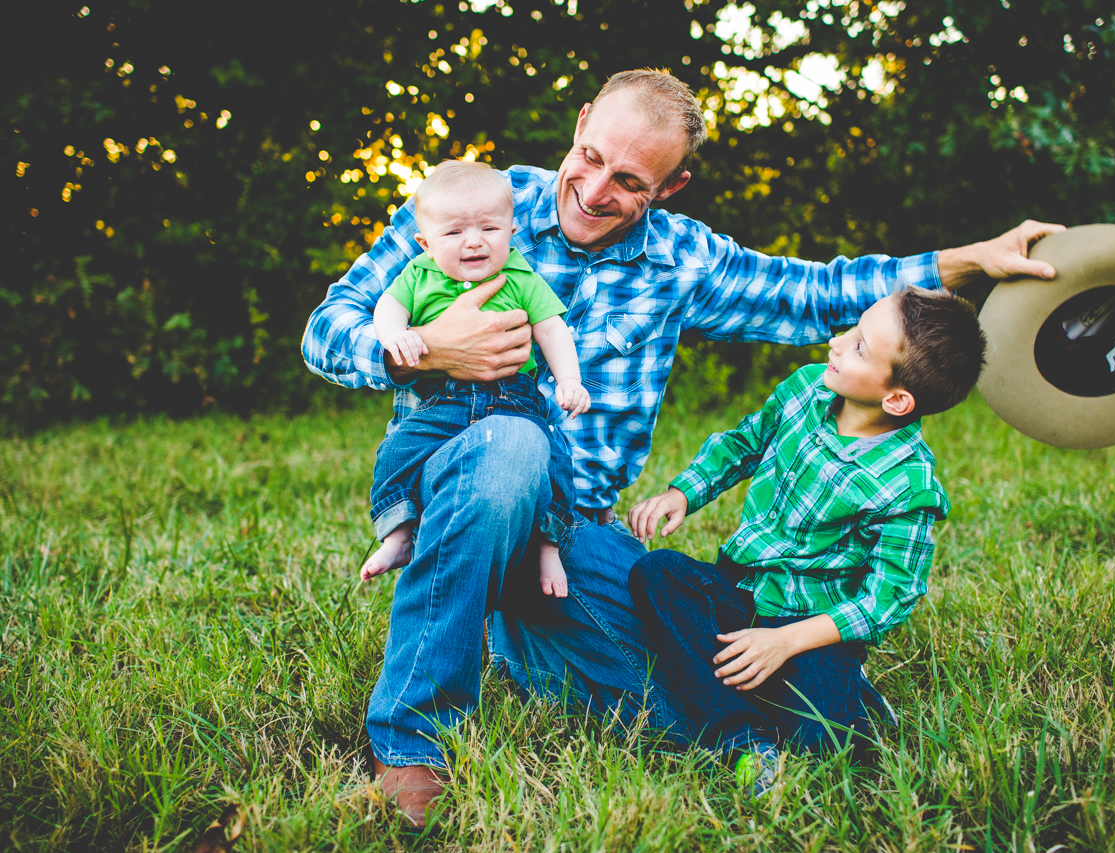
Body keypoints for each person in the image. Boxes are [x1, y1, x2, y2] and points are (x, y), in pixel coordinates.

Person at [301, 68, 1063, 826]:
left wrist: (970, 260)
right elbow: (326, 329)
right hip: (471, 485)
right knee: (511, 447)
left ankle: (770, 711)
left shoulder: (680, 258)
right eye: (593, 157)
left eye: (630, 180)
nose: (596, 191)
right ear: (581, 120)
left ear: (670, 187)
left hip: (571, 538)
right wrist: (426, 349)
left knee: (678, 662)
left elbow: (811, 293)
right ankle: (413, 747)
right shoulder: (471, 206)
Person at [626, 287, 985, 798]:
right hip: (740, 590)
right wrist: (684, 492)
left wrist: (786, 641)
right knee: (656, 574)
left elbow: (889, 598)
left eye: (859, 346)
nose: (837, 342)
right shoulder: (804, 391)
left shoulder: (910, 485)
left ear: (896, 399)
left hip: (813, 628)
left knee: (822, 750)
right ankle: (743, 737)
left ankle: (847, 696)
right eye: (850, 330)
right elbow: (743, 444)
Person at [360, 160, 589, 599]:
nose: (473, 241)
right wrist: (396, 337)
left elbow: (552, 328)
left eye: (489, 228)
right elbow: (386, 307)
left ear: (511, 231)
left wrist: (569, 380)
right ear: (426, 243)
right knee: (397, 449)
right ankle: (399, 531)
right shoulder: (418, 274)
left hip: (513, 400)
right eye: (454, 233)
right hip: (441, 401)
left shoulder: (520, 274)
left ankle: (548, 545)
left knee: (556, 458)